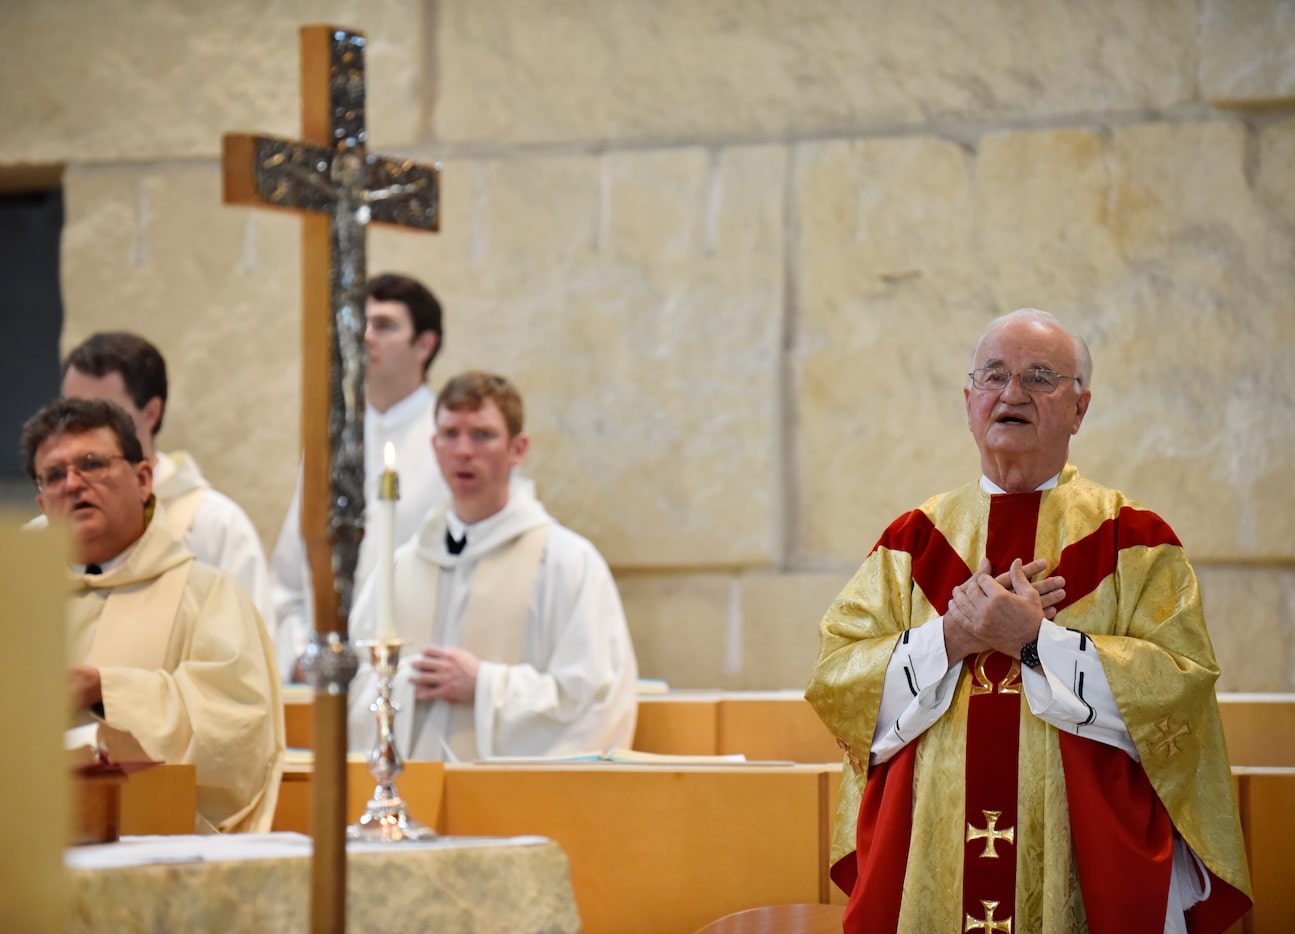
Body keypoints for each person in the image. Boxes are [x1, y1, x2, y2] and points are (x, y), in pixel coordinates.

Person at [804, 308, 1251, 933]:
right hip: (931, 854)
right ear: (968, 402)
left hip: (1087, 857)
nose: (1012, 394)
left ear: (1080, 409)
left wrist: (1037, 641)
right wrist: (952, 637)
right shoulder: (912, 543)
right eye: (993, 376)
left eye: (1041, 377)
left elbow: (1179, 686)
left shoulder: (1135, 541)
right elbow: (835, 681)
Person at [21, 397, 283, 833]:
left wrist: (105, 690)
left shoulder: (206, 594)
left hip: (154, 852)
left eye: (91, 464)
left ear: (143, 479)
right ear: (43, 504)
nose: (73, 483)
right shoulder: (18, 595)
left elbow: (237, 733)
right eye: (54, 475)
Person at [347, 371, 638, 761]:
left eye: (482, 435)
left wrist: (485, 686)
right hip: (409, 802)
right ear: (434, 447)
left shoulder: (566, 563)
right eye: (450, 434)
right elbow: (353, 685)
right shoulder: (400, 569)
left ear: (518, 448)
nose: (463, 450)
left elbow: (595, 700)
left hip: (514, 808)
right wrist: (402, 684)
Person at [270, 273, 450, 681]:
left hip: (412, 679)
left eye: (385, 326)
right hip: (330, 681)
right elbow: (289, 575)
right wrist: (303, 656)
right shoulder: (330, 442)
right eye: (361, 324)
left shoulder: (452, 445)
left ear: (425, 344)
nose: (366, 337)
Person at [57, 331, 273, 624]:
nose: (81, 433)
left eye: (102, 415)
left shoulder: (217, 528)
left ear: (151, 413)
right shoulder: (44, 533)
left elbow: (248, 658)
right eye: (70, 413)